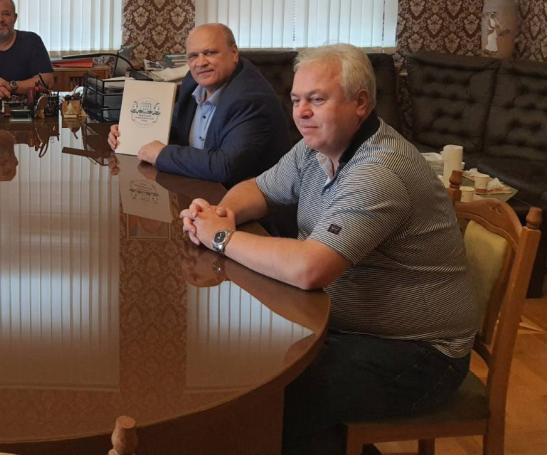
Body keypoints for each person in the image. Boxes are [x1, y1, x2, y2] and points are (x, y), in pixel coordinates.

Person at [180, 44, 477, 455]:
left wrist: (220, 237)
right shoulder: (315, 147)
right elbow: (259, 189)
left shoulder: (378, 172)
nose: (301, 112)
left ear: (361, 103)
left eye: (317, 100)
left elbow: (309, 269)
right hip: (344, 326)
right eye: (296, 100)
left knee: (272, 396)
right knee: (248, 366)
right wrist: (221, 213)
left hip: (420, 354)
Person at [108, 23, 289, 187]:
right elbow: (176, 126)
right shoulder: (193, 82)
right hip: (199, 187)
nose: (200, 63)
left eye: (210, 53)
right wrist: (129, 132)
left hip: (244, 201)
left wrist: (162, 154)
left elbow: (225, 167)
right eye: (193, 56)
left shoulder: (250, 98)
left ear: (234, 53)